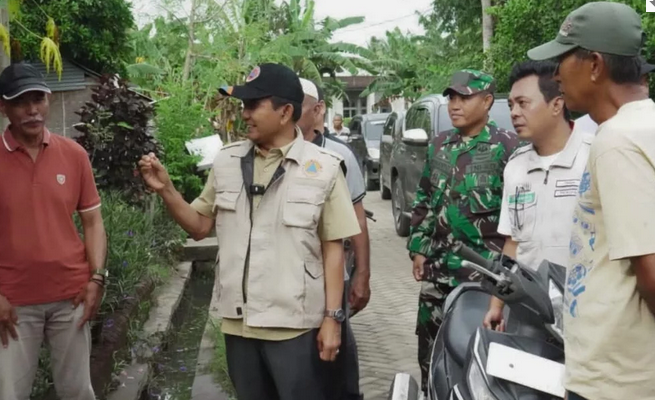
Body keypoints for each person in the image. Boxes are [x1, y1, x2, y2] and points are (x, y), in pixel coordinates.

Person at [139, 63, 360, 400]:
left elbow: (333, 249)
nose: (245, 114)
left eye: (254, 105)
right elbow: (199, 227)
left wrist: (333, 320)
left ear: (285, 112)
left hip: (295, 328)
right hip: (239, 326)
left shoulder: (324, 168)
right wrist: (167, 189)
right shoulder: (226, 162)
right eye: (244, 105)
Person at [528, 2, 655, 400]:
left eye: (563, 60)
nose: (555, 75)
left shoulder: (617, 142)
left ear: (595, 65)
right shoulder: (644, 126)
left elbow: (650, 267)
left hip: (615, 382)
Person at [407, 69, 520, 394]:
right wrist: (419, 249)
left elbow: (516, 218)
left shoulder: (507, 147)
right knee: (430, 355)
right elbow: (424, 199)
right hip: (438, 274)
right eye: (452, 98)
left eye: (464, 98)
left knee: (477, 359)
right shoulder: (439, 145)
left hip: (482, 281)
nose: (454, 105)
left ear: (487, 101)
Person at [0, 63, 107, 400]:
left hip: (71, 298)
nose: (32, 110)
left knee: (77, 391)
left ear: (48, 100)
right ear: (3, 107)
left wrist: (97, 279)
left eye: (38, 99)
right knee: (10, 393)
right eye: (21, 102)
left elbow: (93, 221)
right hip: (13, 305)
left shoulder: (73, 155)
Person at [483, 60, 592, 331]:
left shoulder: (594, 157)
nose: (514, 113)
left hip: (587, 311)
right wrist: (497, 305)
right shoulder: (515, 167)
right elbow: (513, 242)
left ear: (556, 105)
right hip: (528, 311)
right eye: (511, 105)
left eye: (523, 103)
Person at [297, 78, 369, 400]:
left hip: (332, 272)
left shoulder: (339, 155)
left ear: (318, 109)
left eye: (297, 104)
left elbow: (358, 219)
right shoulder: (268, 155)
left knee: (337, 356)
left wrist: (363, 275)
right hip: (291, 280)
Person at [575, 58, 655, 135]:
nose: (644, 89)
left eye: (645, 80)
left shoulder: (649, 120)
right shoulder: (580, 129)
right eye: (634, 82)